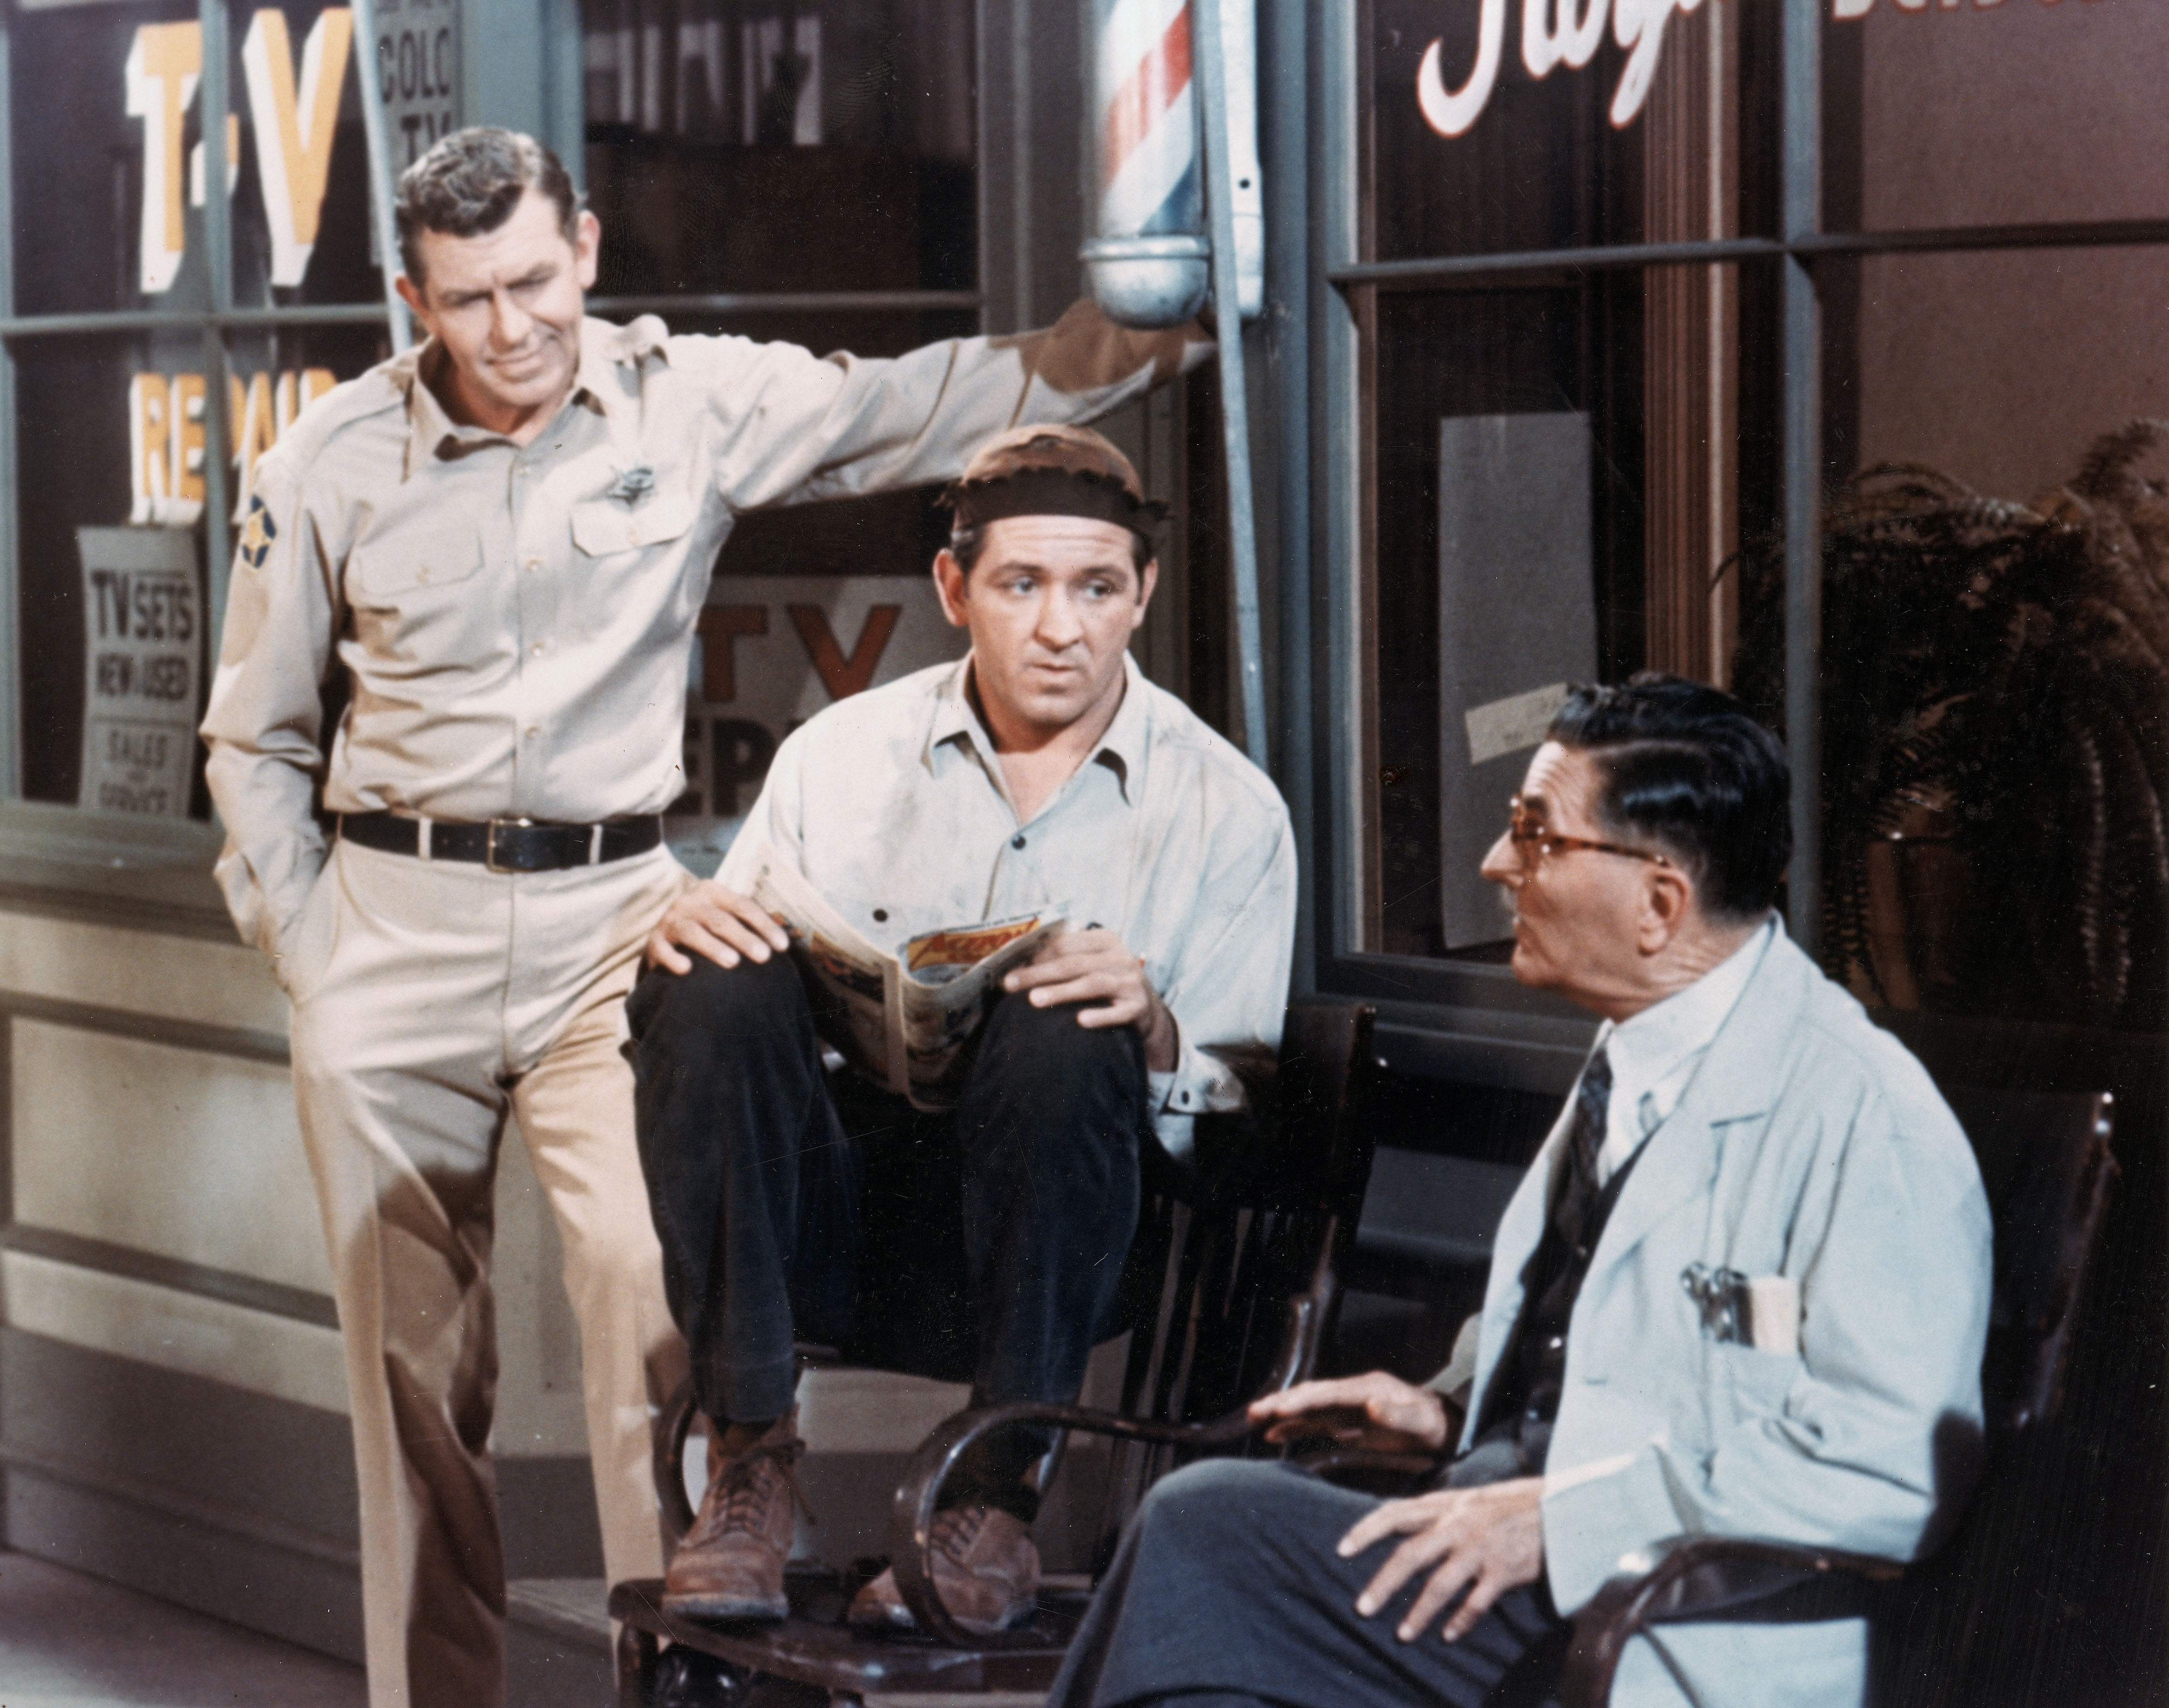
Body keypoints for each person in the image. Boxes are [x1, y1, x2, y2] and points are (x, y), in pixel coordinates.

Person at [198, 126, 1207, 1708]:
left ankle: (675, 1691)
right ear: (415, 297)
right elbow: (249, 739)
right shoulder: (325, 461)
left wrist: (1114, 347)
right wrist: (314, 954)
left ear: (586, 248)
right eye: (468, 300)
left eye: (536, 281)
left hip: (612, 913)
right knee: (409, 1388)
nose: (513, 327)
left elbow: (913, 403)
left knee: (655, 1323)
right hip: (389, 923)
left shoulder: (696, 400)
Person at [1041, 674, 1994, 1708]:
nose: (1497, 866)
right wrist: (1445, 1418)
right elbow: (1606, 1362)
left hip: (1652, 1616)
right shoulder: (1641, 1056)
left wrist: (1555, 1521)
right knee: (1207, 1682)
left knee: (1208, 1525)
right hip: (1514, 1565)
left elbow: (1890, 1472)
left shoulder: (1866, 1119)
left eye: (1537, 838)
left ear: (1660, 901)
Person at [627, 423, 1297, 1636]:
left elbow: (1244, 1140)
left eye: (1096, 587)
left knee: (1069, 1018)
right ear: (954, 588)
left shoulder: (1226, 809)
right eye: (1020, 586)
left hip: (1056, 1258)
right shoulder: (840, 757)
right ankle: (752, 1459)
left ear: (1141, 591)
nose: (1059, 628)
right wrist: (701, 933)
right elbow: (748, 1044)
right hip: (843, 1242)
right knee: (710, 975)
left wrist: (1152, 1032)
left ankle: (995, 1499)